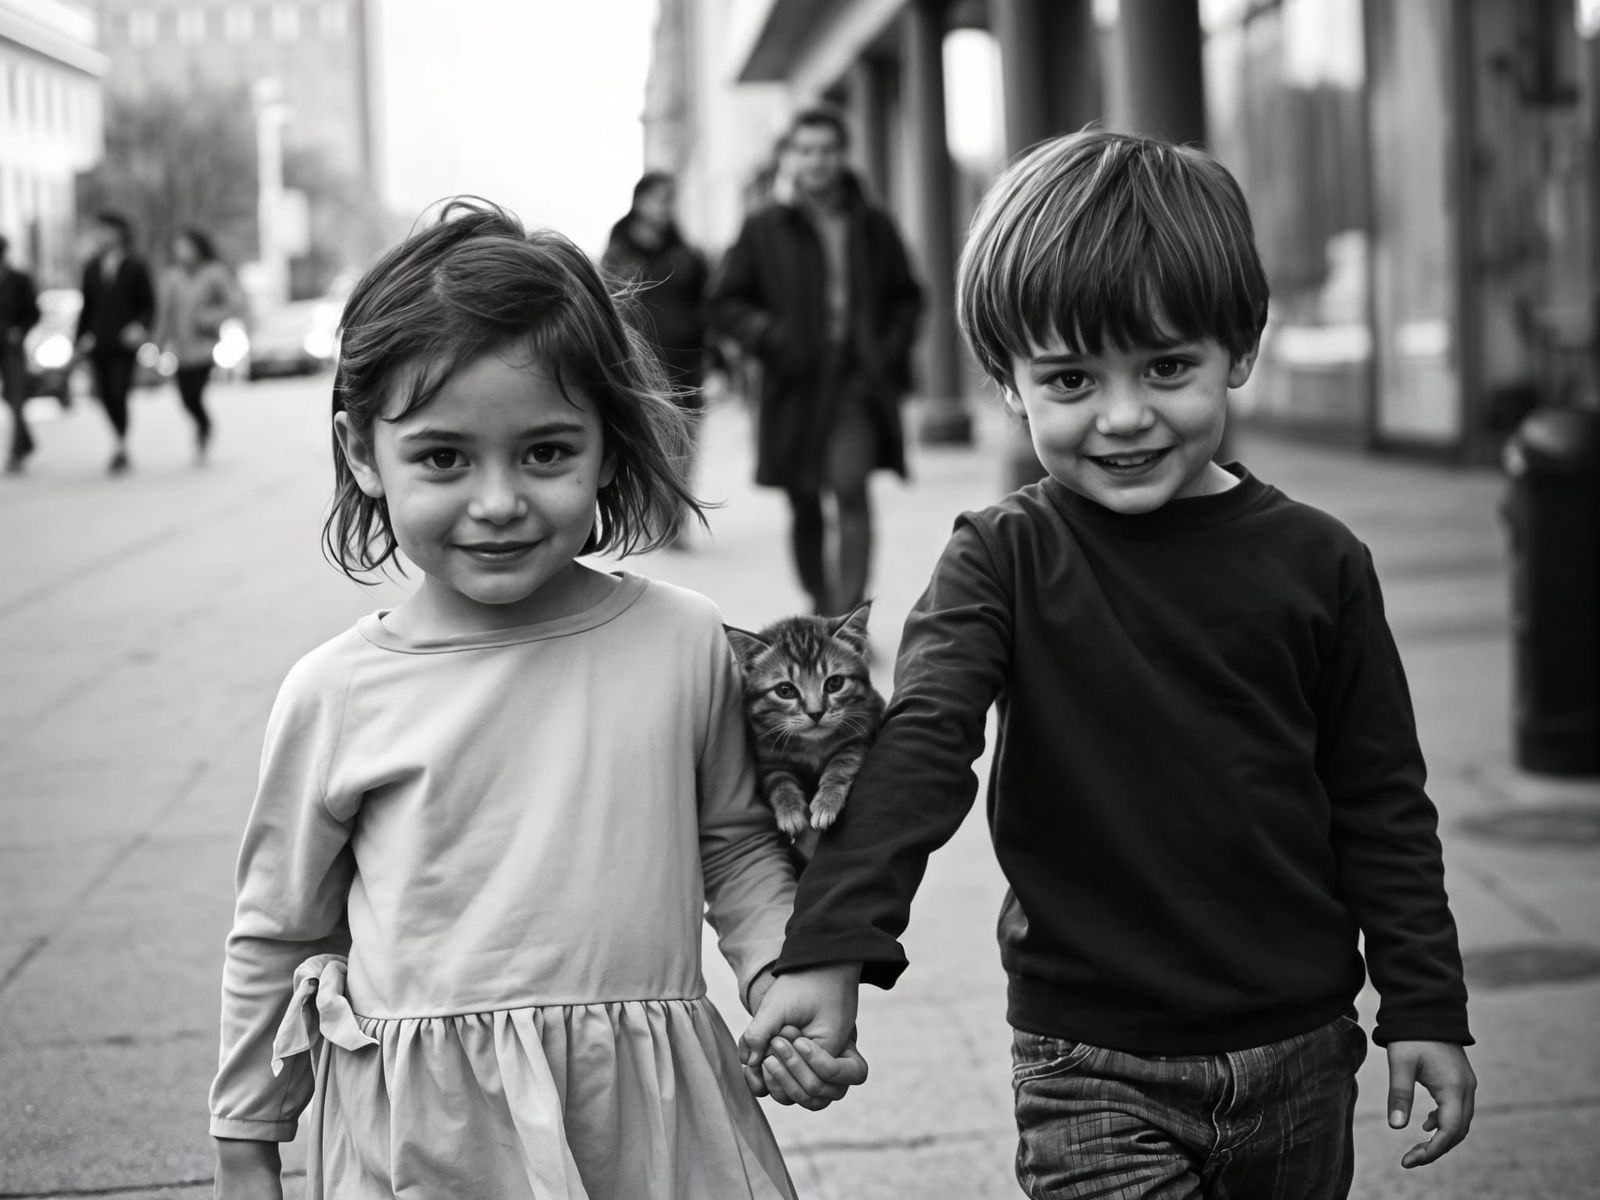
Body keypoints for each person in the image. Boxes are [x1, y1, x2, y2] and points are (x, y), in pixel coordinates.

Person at [742, 131, 1478, 1197]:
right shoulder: (1000, 555)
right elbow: (923, 748)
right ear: (1007, 381)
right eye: (1071, 377)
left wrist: (1422, 1002)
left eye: (1167, 367)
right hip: (1087, 1058)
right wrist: (831, 945)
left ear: (1240, 350)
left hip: (1302, 1049)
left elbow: (1379, 801)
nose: (1124, 415)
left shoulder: (1318, 561)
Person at [207, 200, 865, 1199]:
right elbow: (280, 929)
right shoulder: (336, 693)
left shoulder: (681, 639)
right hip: (435, 1135)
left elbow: (734, 844)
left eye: (546, 452)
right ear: (360, 452)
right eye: (442, 457)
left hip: (653, 1114)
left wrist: (784, 975)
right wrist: (246, 1146)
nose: (499, 500)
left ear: (608, 443)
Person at [712, 108, 923, 615]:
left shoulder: (873, 223)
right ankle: (819, 597)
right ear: (790, 157)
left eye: (826, 149)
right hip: (795, 382)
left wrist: (888, 351)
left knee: (850, 487)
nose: (817, 160)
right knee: (805, 498)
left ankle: (846, 616)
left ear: (842, 154)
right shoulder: (764, 227)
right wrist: (771, 337)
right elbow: (725, 301)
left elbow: (909, 296)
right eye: (806, 150)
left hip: (856, 380)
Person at [602, 172, 710, 543]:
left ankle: (674, 524)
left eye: (669, 200)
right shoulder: (618, 255)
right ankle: (654, 519)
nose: (664, 208)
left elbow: (708, 308)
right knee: (648, 447)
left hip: (685, 366)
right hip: (636, 369)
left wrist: (716, 355)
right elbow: (607, 310)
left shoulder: (688, 256)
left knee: (683, 446)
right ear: (640, 201)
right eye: (657, 199)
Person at [76, 211, 155, 474]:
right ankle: (119, 440)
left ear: (119, 233)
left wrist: (140, 326)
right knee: (104, 395)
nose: (100, 236)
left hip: (124, 343)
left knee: (119, 391)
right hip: (99, 342)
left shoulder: (135, 266)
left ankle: (121, 444)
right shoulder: (91, 268)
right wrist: (79, 339)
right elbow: (86, 307)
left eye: (105, 230)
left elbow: (148, 304)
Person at [152, 227, 241, 463]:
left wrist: (210, 317)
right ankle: (203, 426)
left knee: (195, 392)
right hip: (180, 349)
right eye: (178, 247)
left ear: (198, 248)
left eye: (186, 246)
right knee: (185, 397)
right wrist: (157, 345)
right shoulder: (171, 277)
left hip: (205, 346)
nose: (182, 252)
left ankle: (204, 429)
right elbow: (164, 313)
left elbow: (234, 302)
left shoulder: (214, 273)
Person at [0, 234, 41, 473]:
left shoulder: (19, 280)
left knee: (16, 397)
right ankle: (26, 441)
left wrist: (20, 331)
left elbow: (33, 313)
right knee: (9, 397)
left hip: (12, 346)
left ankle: (17, 451)